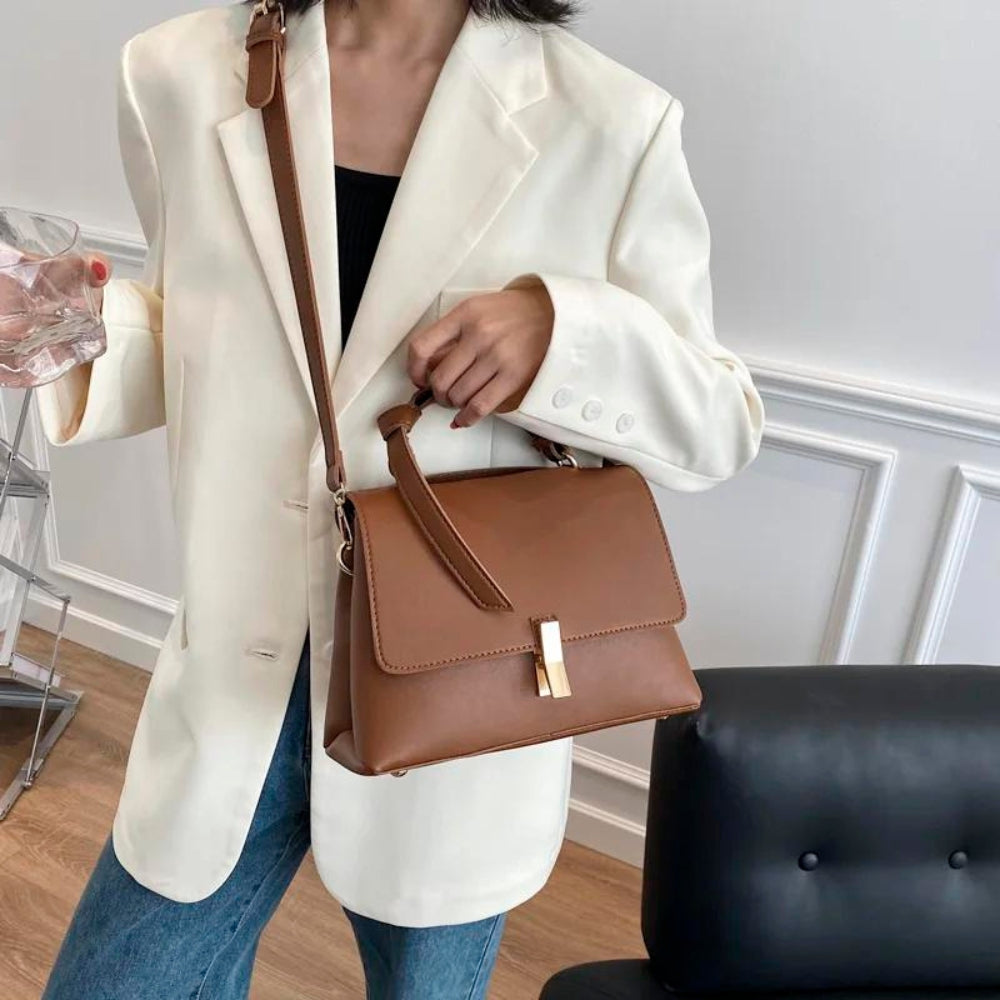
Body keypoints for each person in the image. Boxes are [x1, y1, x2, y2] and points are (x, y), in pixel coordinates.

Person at [35, 0, 766, 996]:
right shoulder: (177, 70)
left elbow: (720, 422)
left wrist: (560, 333)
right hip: (238, 669)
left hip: (460, 690)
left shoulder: (609, 120)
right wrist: (70, 330)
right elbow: (191, 333)